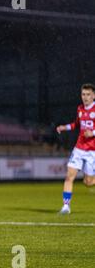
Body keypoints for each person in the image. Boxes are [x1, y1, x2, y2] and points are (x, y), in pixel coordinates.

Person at [56, 83, 95, 214]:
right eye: (83, 94)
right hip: (79, 148)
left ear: (93, 96)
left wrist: (93, 133)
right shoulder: (80, 109)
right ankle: (66, 207)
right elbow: (76, 124)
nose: (85, 97)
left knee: (88, 182)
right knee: (69, 177)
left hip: (92, 151)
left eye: (88, 94)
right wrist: (64, 127)